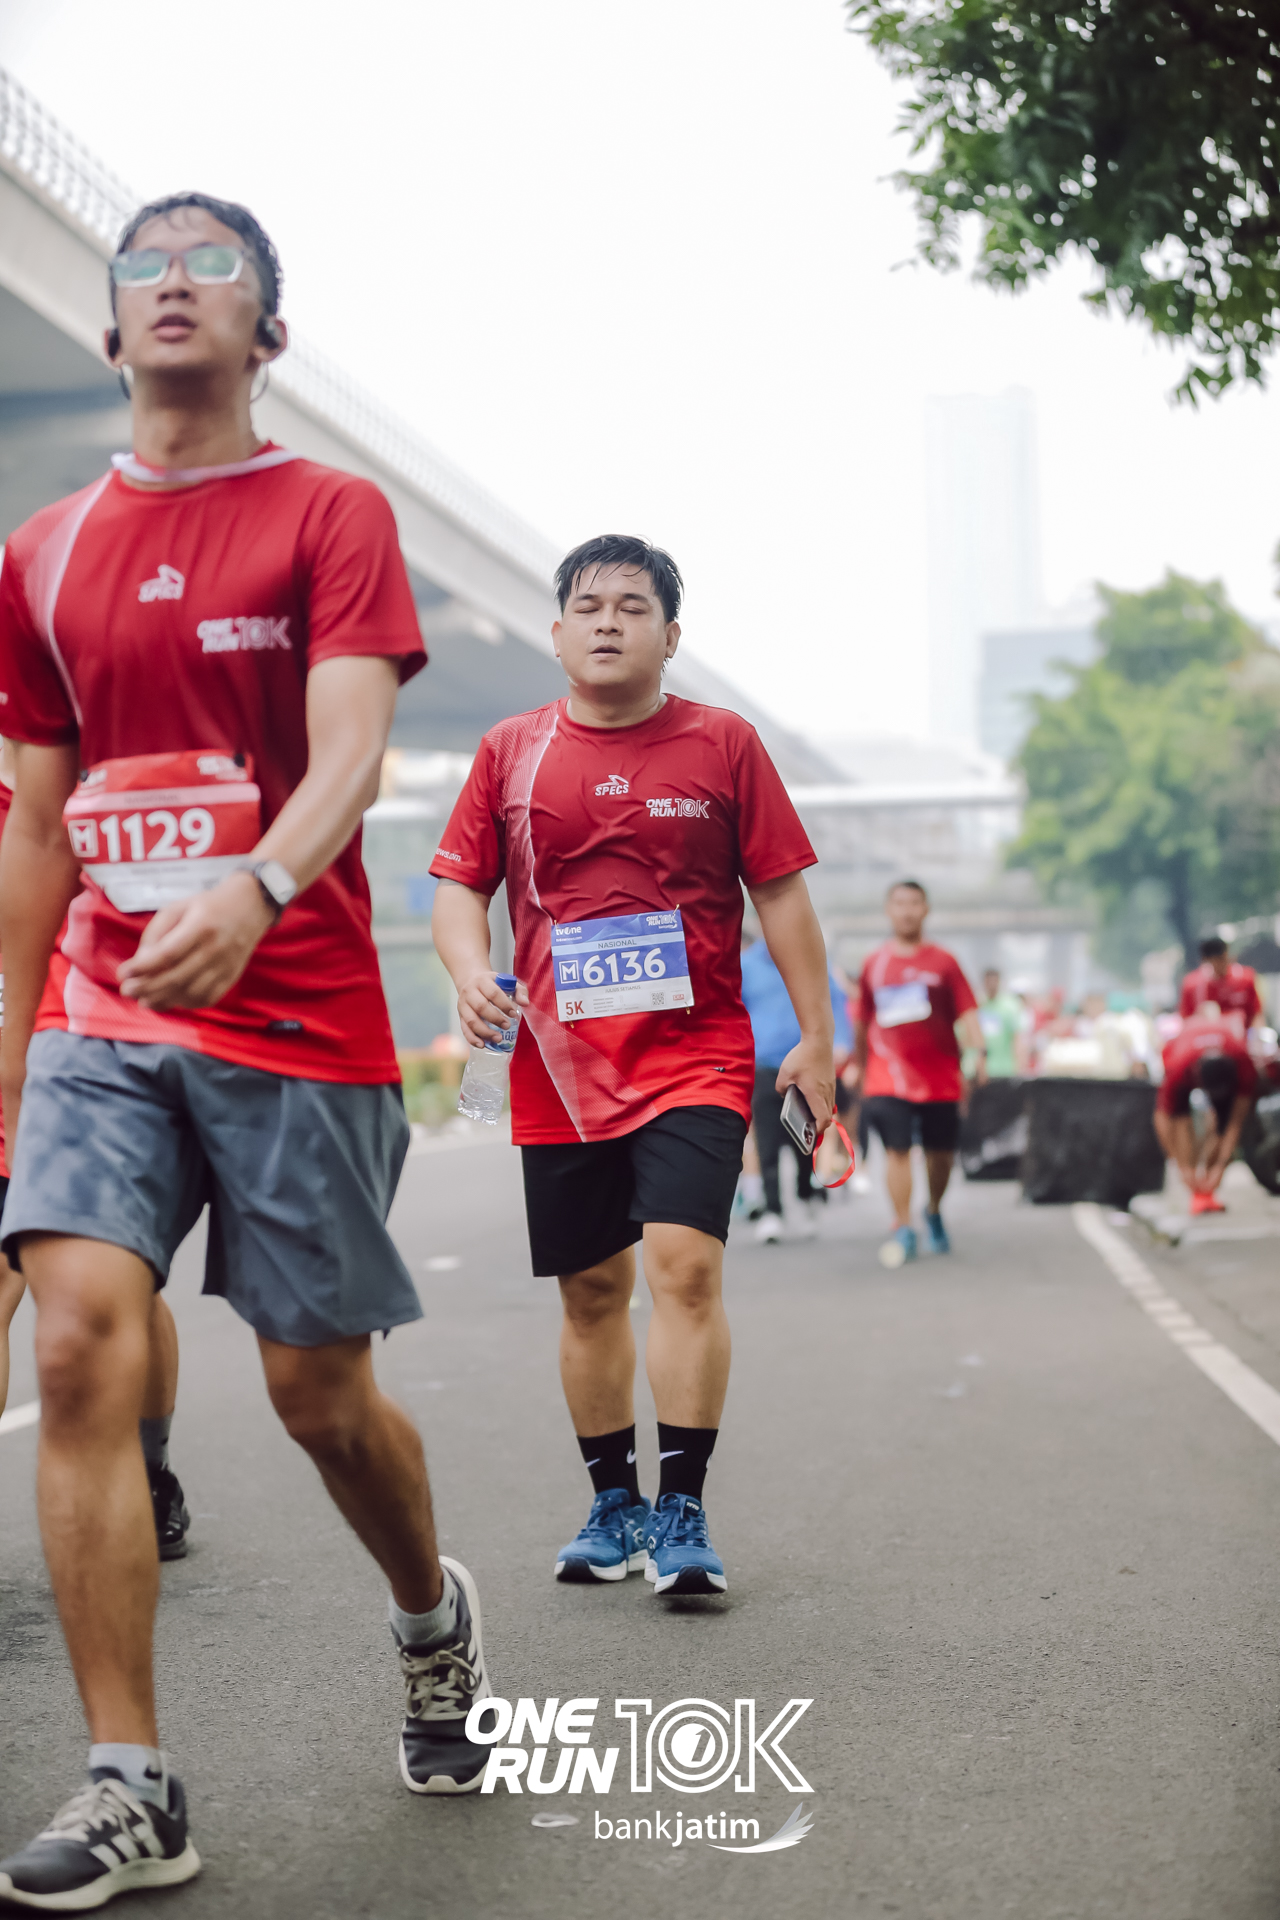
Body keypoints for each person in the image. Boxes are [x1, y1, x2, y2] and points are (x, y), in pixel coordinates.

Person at [0, 191, 494, 1914]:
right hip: (102, 1009)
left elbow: (356, 750)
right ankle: (130, 1781)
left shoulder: (329, 514)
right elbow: (38, 822)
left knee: (316, 1396)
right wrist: (12, 1046)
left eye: (213, 266)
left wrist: (262, 884)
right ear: (109, 329)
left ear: (267, 333)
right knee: (78, 1345)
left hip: (298, 1013)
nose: (173, 285)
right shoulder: (43, 551)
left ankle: (429, 1618)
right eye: (144, 266)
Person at [431, 534, 833, 1598]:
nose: (608, 621)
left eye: (633, 606)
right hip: (559, 1065)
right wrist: (468, 971)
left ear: (671, 635)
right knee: (590, 1291)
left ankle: (682, 1508)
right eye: (588, 605)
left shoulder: (723, 744)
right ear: (557, 632)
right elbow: (459, 886)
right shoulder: (510, 751)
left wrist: (818, 1036)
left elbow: (781, 893)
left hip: (695, 1056)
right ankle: (613, 1504)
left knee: (685, 1268)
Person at [848, 880, 986, 1267]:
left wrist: (979, 1053)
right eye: (899, 903)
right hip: (887, 1075)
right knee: (897, 1150)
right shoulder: (874, 964)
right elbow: (862, 1022)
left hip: (940, 1077)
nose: (906, 911)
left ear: (926, 909)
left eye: (914, 903)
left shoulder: (944, 962)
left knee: (940, 1155)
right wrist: (859, 1066)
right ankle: (904, 1225)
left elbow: (968, 1012)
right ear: (888, 910)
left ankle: (934, 1209)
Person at [740, 937, 851, 1243]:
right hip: (763, 1064)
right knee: (766, 1141)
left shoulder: (808, 957)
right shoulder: (746, 966)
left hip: (804, 1065)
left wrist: (841, 1041)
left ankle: (806, 1194)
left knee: (804, 1136)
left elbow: (834, 1000)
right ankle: (772, 1210)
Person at [1154, 1013, 1257, 1213]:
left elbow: (1236, 1119)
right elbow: (1163, 1117)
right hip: (1182, 1055)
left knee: (1221, 1128)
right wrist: (1180, 1166)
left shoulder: (1242, 1059)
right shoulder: (1179, 1066)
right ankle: (1196, 1185)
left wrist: (1221, 1165)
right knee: (1181, 1123)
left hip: (1225, 1062)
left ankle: (1207, 1190)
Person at [1179, 935, 1264, 1029]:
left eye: (1220, 960)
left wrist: (1256, 1033)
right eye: (1212, 962)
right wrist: (1201, 1016)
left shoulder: (1245, 978)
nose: (1217, 966)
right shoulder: (1193, 985)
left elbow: (1257, 1013)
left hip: (1243, 1034)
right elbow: (1185, 1021)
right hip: (1210, 1035)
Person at [976, 967, 1026, 1079]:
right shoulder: (978, 1005)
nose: (991, 985)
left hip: (1005, 1068)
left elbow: (1017, 1038)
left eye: (994, 981)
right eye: (988, 981)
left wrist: (1020, 1065)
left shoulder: (1010, 1006)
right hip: (982, 1069)